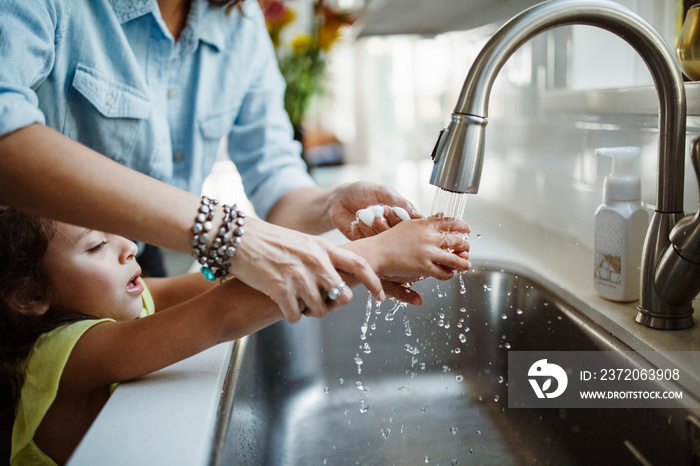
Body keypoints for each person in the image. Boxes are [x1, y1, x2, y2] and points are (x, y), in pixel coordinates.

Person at [0, 0, 423, 324]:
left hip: (130, 275)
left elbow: (273, 170)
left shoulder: (238, 21)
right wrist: (226, 234)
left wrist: (331, 204)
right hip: (33, 288)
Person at [0, 207, 471, 465]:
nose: (129, 247)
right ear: (28, 293)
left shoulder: (126, 300)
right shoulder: (64, 354)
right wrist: (377, 254)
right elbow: (220, 314)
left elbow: (224, 285)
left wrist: (352, 261)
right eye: (97, 245)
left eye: (115, 232)